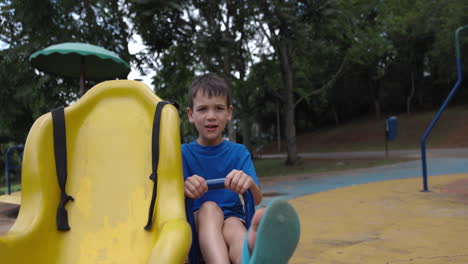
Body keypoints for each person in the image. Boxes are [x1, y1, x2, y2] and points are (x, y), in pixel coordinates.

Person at [183, 73, 300, 264]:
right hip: (197, 228)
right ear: (191, 115)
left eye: (219, 109)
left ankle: (247, 259)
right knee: (209, 209)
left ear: (229, 113)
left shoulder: (238, 152)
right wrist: (184, 187)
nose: (211, 116)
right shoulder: (182, 154)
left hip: (233, 218)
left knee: (235, 228)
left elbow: (256, 198)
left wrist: (248, 183)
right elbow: (168, 199)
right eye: (203, 109)